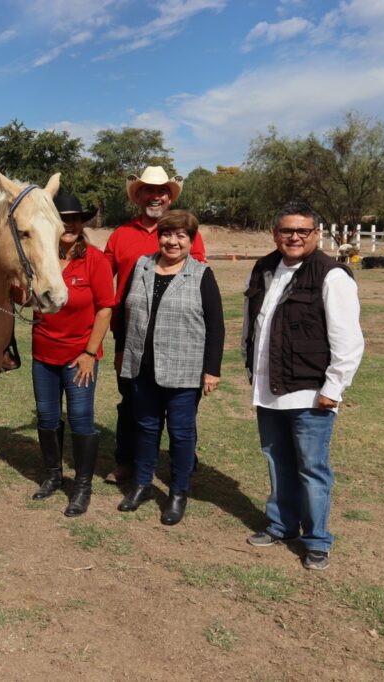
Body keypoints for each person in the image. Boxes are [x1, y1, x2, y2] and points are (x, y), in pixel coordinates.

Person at [243, 201, 364, 571]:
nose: (293, 237)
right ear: (274, 232)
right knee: (277, 461)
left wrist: (333, 388)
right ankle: (282, 525)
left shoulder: (332, 275)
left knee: (312, 468)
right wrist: (251, 370)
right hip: (268, 389)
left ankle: (317, 540)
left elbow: (349, 341)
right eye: (286, 230)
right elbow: (254, 326)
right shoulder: (264, 268)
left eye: (302, 231)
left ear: (316, 234)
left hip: (311, 391)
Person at [113, 210, 223, 525]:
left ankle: (177, 492)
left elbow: (216, 326)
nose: (172, 242)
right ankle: (142, 484)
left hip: (184, 370)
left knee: (180, 433)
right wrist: (121, 348)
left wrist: (211, 369)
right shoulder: (142, 265)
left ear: (191, 240)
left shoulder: (201, 274)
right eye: (166, 234)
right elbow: (124, 311)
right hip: (142, 367)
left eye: (180, 236)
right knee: (145, 429)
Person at [104, 166, 207, 484]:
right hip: (131, 332)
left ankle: (184, 459)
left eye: (162, 190)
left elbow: (199, 278)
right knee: (131, 402)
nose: (156, 196)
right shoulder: (120, 235)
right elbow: (103, 280)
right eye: (149, 190)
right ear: (139, 196)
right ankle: (127, 461)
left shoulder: (188, 234)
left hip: (180, 334)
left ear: (169, 196)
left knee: (182, 405)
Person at [30, 194, 114, 517]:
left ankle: (82, 486)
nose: (69, 224)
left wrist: (90, 353)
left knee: (81, 419)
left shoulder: (95, 260)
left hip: (80, 356)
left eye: (75, 218)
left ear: (83, 223)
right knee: (48, 418)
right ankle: (53, 476)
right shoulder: (41, 257)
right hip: (43, 354)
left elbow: (105, 309)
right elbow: (26, 298)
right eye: (62, 218)